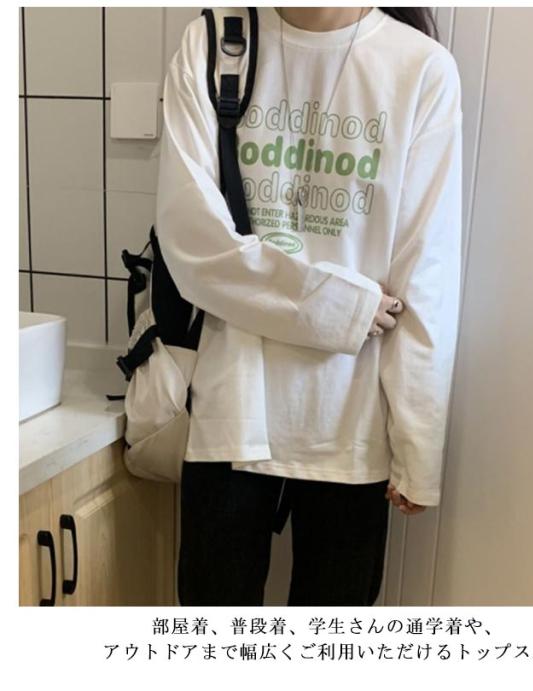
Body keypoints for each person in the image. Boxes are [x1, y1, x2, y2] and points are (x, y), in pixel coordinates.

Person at [155, 6, 463, 606]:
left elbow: (426, 274)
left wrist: (418, 447)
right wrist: (339, 307)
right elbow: (192, 243)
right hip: (232, 412)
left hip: (352, 424)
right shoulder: (215, 43)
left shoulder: (420, 69)